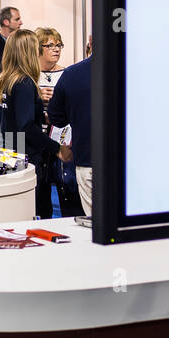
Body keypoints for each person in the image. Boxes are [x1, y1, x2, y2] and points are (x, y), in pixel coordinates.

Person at [0, 29, 58, 219]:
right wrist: (56, 148)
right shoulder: (24, 83)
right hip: (28, 158)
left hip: (12, 153)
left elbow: (13, 118)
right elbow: (26, 126)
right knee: (39, 212)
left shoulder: (7, 81)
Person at [48, 53, 93, 216]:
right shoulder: (139, 70)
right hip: (131, 163)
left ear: (89, 45)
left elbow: (56, 118)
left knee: (95, 224)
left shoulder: (72, 74)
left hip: (88, 159)